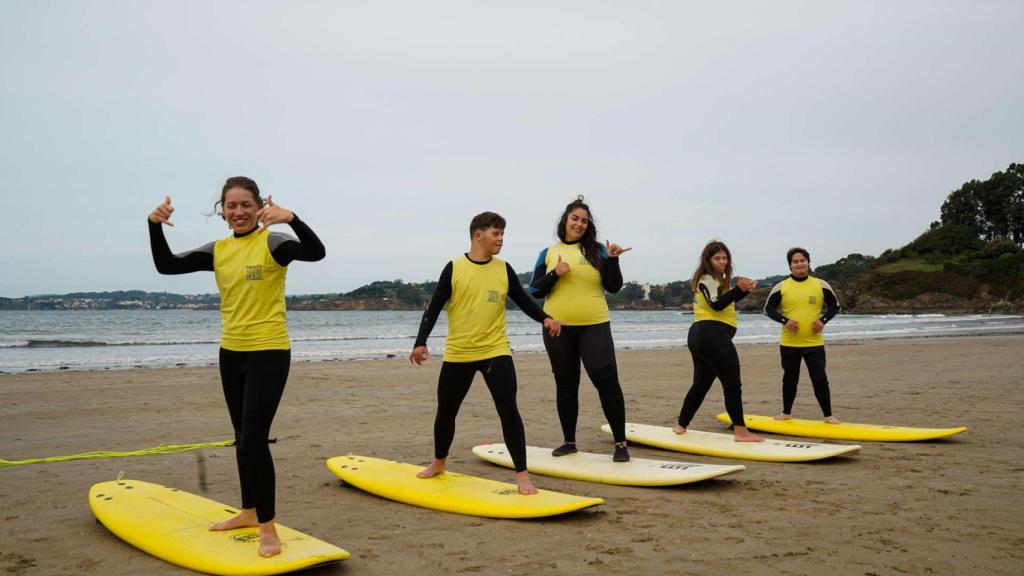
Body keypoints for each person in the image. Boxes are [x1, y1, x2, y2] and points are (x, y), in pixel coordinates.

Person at [148, 177, 325, 558]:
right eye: (231, 206)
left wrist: (291, 218)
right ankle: (248, 511)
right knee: (241, 435)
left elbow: (316, 252)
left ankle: (268, 528)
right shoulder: (219, 250)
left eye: (246, 205)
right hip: (231, 353)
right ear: (222, 212)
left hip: (270, 352)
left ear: (260, 206)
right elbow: (166, 266)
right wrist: (154, 225)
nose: (239, 212)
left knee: (254, 439)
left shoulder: (274, 242)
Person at [410, 212, 562, 495]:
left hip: (496, 351)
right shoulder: (454, 268)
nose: (501, 239)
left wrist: (546, 318)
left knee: (509, 411)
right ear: (477, 235)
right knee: (446, 412)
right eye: (496, 233)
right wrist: (421, 342)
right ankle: (438, 463)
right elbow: (433, 308)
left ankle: (522, 476)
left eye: (503, 234)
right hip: (459, 353)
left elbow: (525, 301)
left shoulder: (504, 269)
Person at [529, 197, 632, 461]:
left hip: (594, 326)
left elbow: (613, 286)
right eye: (575, 218)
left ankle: (620, 443)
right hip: (558, 328)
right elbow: (535, 289)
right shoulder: (548, 252)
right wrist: (556, 273)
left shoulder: (598, 250)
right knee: (565, 384)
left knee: (607, 382)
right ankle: (569, 441)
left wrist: (613, 260)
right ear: (565, 220)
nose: (579, 224)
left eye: (584, 221)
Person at [673, 241, 763, 442]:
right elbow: (716, 305)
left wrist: (743, 290)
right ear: (708, 260)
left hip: (700, 336)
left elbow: (724, 302)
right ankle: (741, 431)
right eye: (717, 258)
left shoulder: (717, 281)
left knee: (700, 384)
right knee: (732, 385)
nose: (723, 262)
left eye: (725, 258)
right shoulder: (708, 279)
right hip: (712, 336)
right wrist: (739, 290)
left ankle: (681, 425)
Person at [763, 247, 842, 424]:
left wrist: (823, 320)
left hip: (814, 343)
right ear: (790, 265)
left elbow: (835, 306)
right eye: (795, 262)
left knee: (820, 378)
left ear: (808, 262)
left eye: (802, 260)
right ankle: (786, 412)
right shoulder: (782, 286)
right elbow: (767, 309)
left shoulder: (820, 284)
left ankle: (828, 415)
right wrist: (785, 320)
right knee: (790, 379)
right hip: (789, 343)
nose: (799, 264)